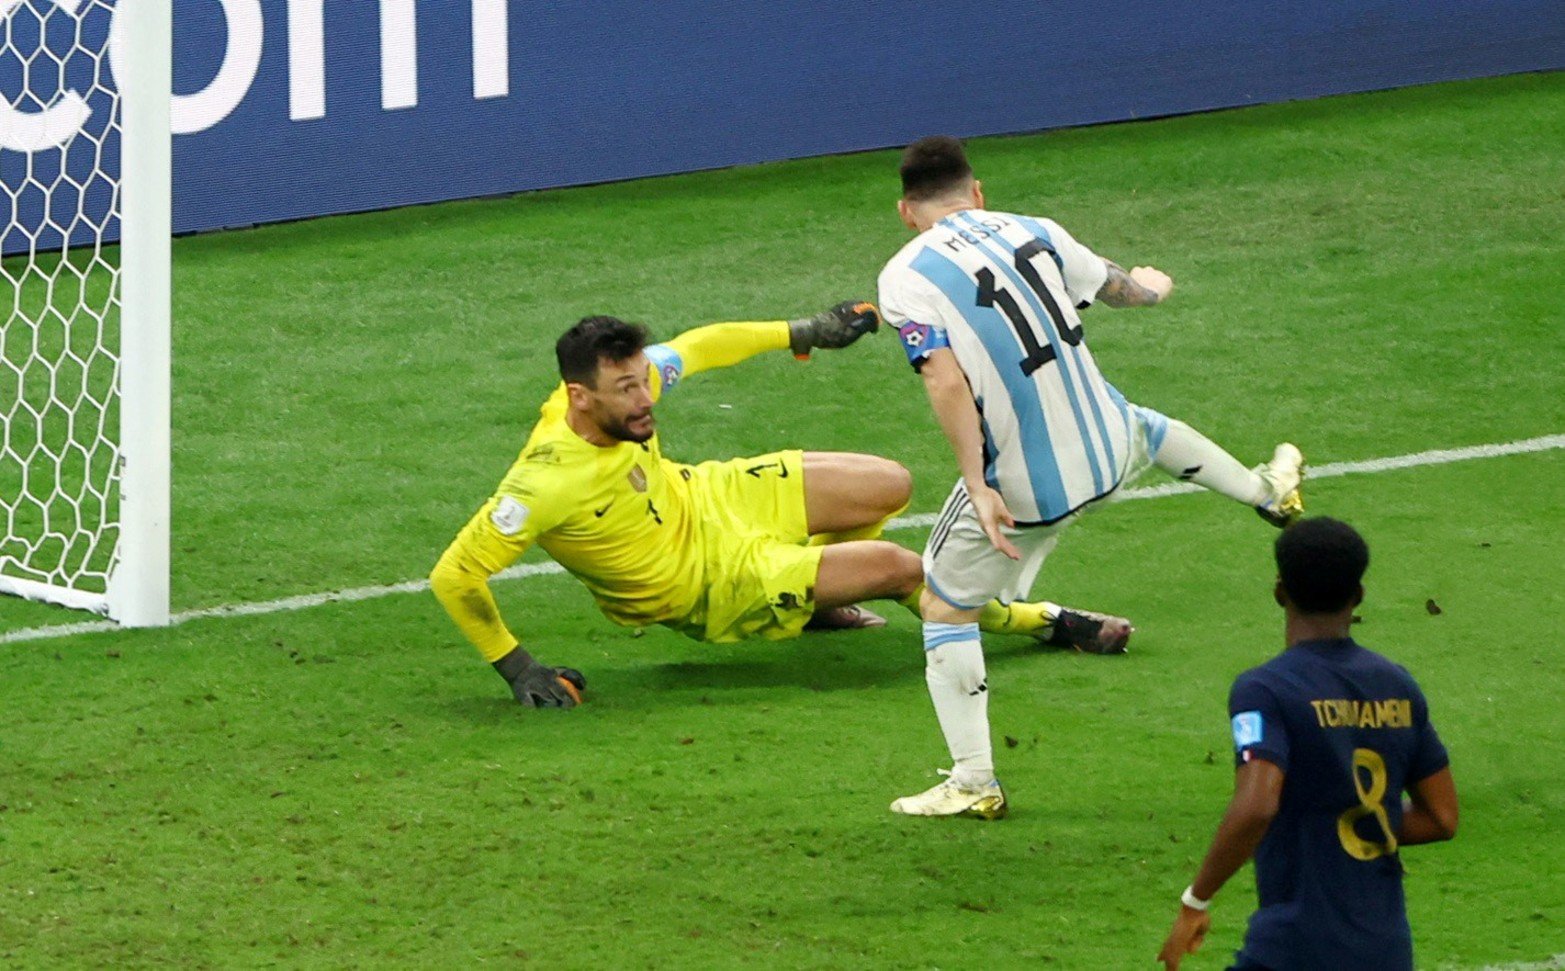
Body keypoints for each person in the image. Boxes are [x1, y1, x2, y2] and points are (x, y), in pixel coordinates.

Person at [877, 135, 1306, 818]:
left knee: (942, 607)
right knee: (1143, 424)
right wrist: (1152, 289)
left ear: (906, 211)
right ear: (977, 191)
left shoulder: (903, 276)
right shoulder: (1034, 230)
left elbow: (943, 379)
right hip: (1110, 451)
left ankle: (972, 780)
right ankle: (1266, 493)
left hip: (1029, 489)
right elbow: (1116, 285)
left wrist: (978, 485)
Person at [430, 304, 1133, 707]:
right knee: (898, 565)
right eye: (625, 390)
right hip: (708, 581)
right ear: (579, 397)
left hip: (706, 496)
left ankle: (814, 598)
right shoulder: (542, 482)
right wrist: (517, 666)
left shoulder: (621, 394)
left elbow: (702, 347)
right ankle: (1045, 621)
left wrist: (804, 331)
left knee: (887, 481)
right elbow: (454, 576)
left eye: (645, 382)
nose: (645, 400)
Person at [1157, 517, 1458, 970]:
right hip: (1387, 950)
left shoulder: (1265, 689)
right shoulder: (1399, 686)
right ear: (1358, 596)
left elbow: (1257, 805)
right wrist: (1350, 826)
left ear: (1280, 591)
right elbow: (1441, 817)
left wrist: (1195, 899)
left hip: (1295, 948)